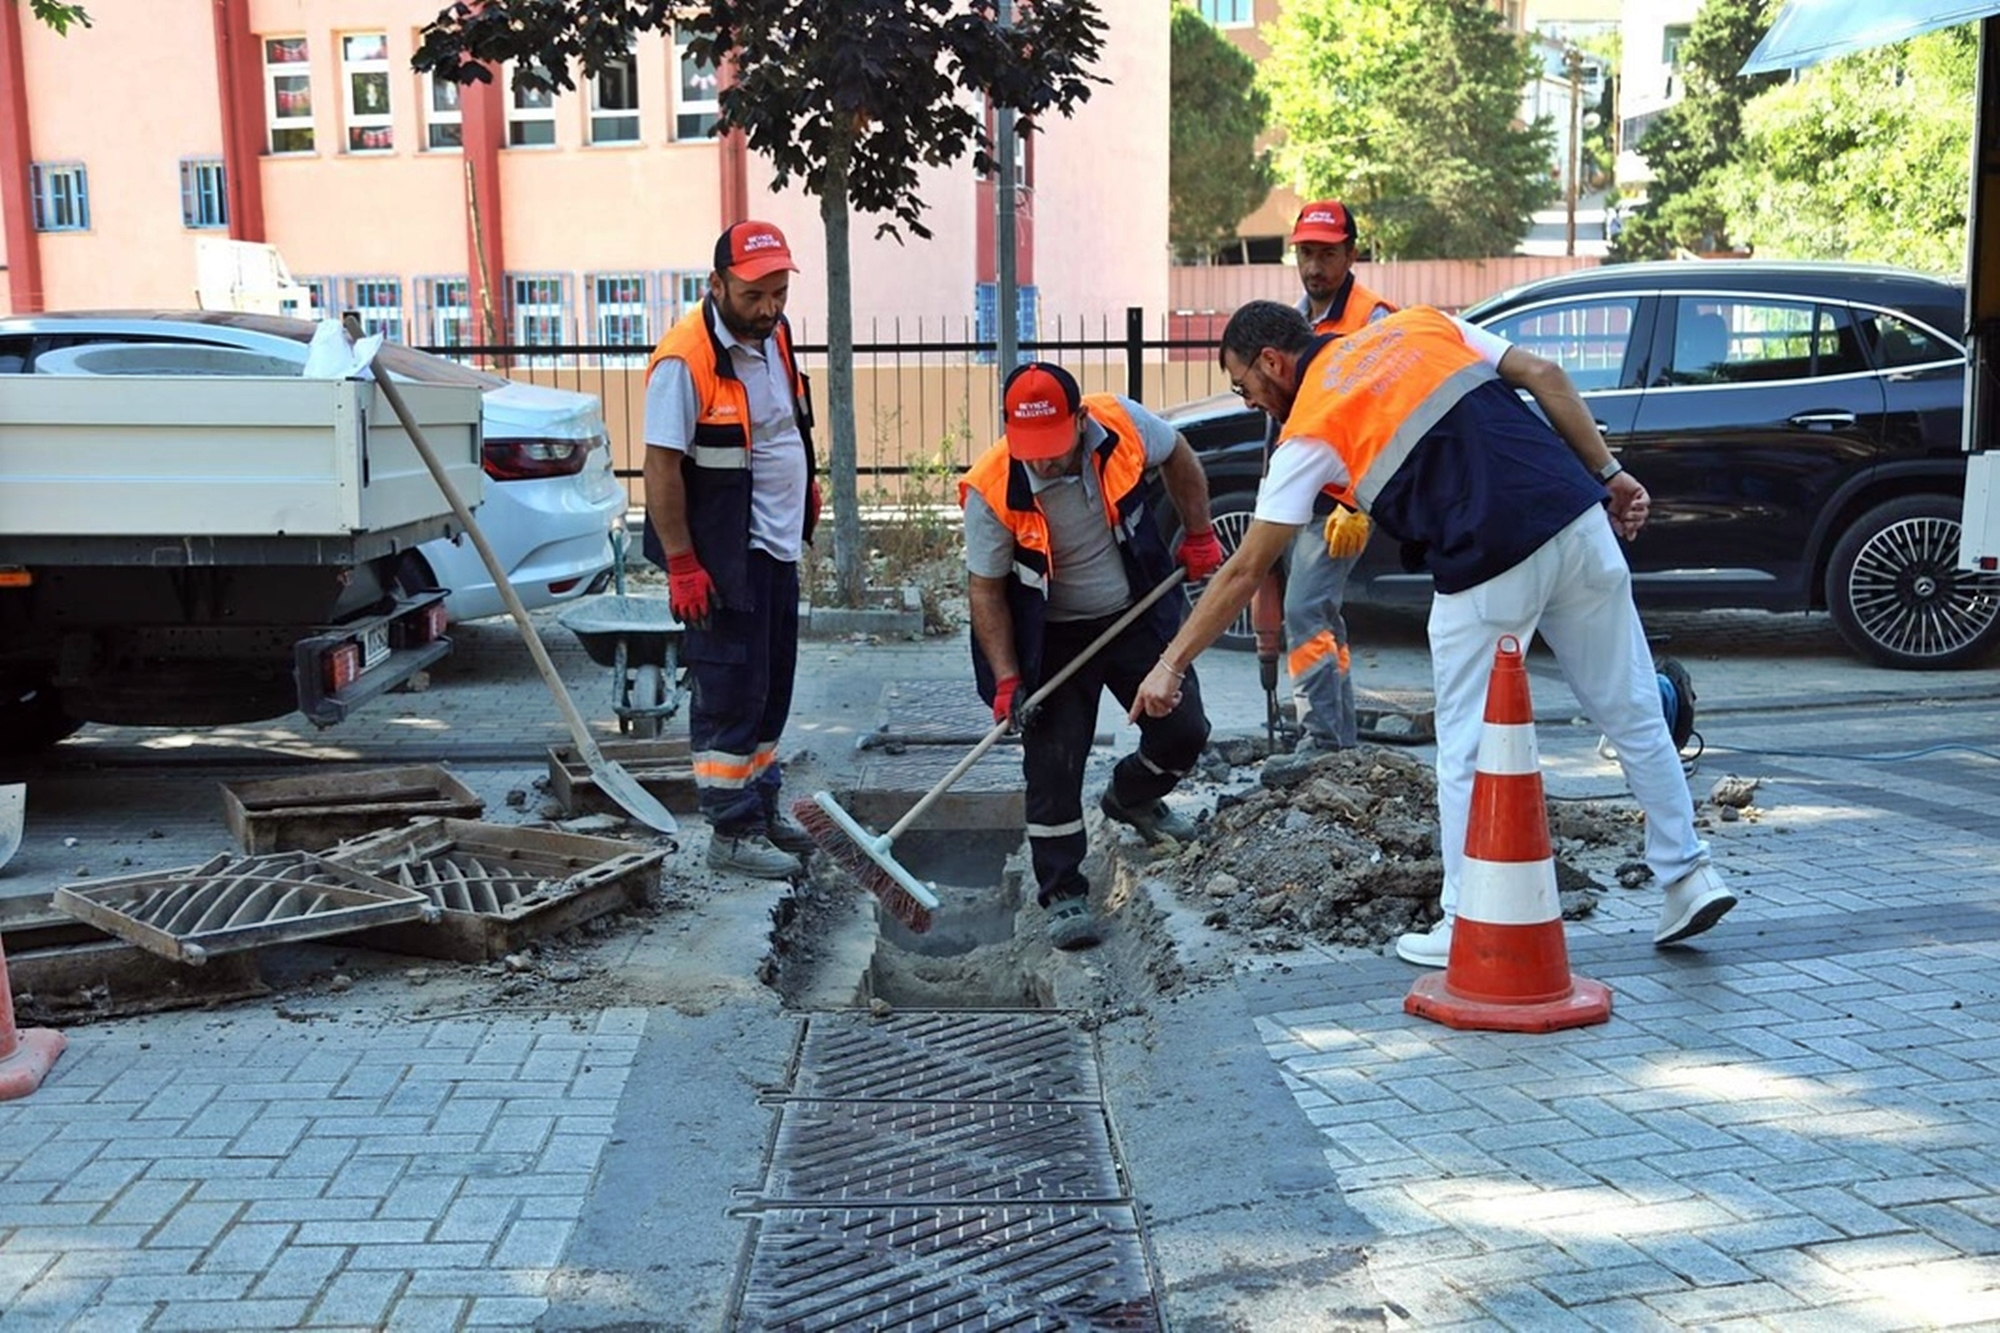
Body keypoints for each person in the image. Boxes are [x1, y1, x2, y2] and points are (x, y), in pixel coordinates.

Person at [1130, 301, 1735, 964]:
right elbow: (1544, 372)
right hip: (1576, 518)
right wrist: (1609, 474)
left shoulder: (1310, 429)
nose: (1252, 403)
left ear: (1272, 361)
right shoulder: (1418, 324)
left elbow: (1246, 567)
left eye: (1246, 386)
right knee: (1633, 707)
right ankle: (1689, 875)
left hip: (1488, 561)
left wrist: (1171, 663)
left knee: (1465, 747)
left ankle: (1465, 920)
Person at [961, 362, 1222, 950]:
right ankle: (1062, 892)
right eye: (1030, 448)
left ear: (1080, 420)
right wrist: (1007, 679)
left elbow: (1179, 453)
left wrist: (1199, 531)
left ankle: (1132, 797)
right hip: (1048, 637)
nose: (1043, 462)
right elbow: (985, 591)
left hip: (1134, 611)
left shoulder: (1123, 424)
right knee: (1054, 764)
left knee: (1184, 729)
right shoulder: (992, 489)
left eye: (1053, 446)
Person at [642, 219, 822, 880]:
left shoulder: (777, 336)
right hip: (723, 560)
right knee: (728, 693)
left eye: (779, 293)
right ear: (716, 285)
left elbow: (780, 425)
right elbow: (660, 468)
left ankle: (761, 808)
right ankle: (731, 831)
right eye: (753, 295)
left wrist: (805, 484)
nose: (769, 308)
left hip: (775, 548)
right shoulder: (683, 361)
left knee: (769, 688)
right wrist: (682, 564)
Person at [1275, 200, 1397, 752]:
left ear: (1351, 254)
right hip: (1302, 493)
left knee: (1304, 612)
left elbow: (1388, 413)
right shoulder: (1295, 320)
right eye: (1306, 253)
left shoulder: (1372, 320)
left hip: (1340, 500)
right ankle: (1339, 740)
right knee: (1322, 618)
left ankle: (1321, 739)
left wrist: (1359, 499)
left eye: (1327, 254)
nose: (1314, 266)